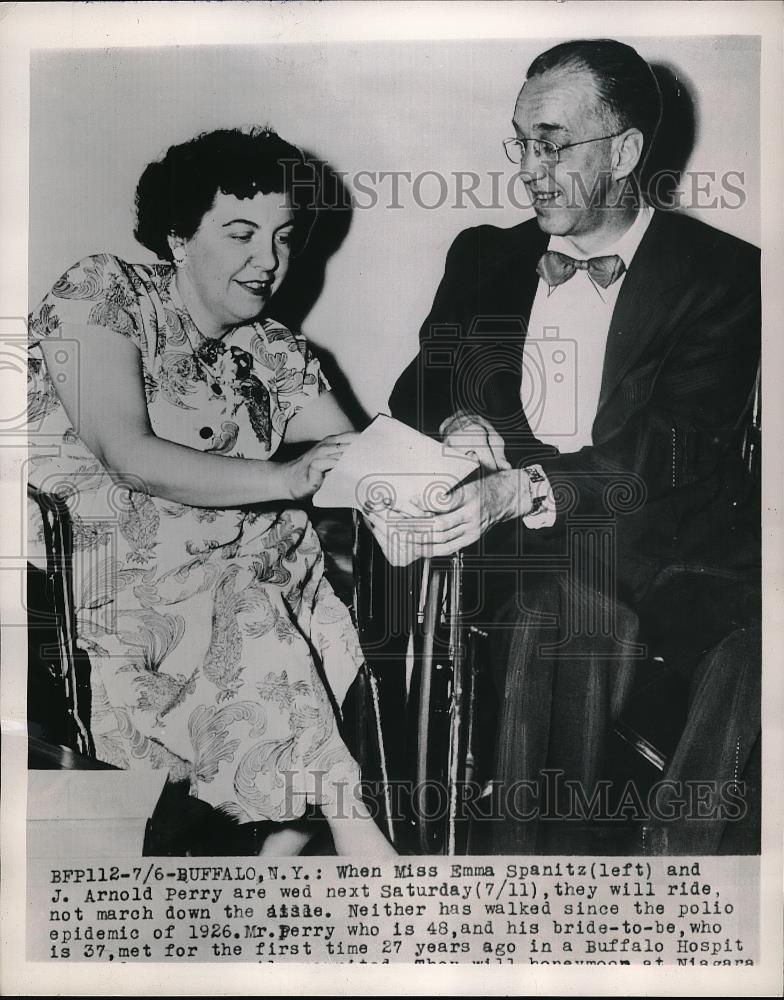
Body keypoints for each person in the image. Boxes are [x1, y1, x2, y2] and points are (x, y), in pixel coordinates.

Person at [381, 39, 760, 853]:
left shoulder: (726, 275)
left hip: (666, 551)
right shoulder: (487, 255)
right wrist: (454, 422)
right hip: (526, 559)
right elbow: (417, 386)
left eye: (553, 143)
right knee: (563, 617)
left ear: (625, 151)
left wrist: (522, 485)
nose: (529, 167)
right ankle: (529, 892)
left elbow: (678, 441)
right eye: (521, 142)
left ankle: (677, 888)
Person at [27, 127, 395, 857]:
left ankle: (284, 853)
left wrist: (452, 458)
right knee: (262, 564)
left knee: (287, 565)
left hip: (231, 597)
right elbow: (125, 455)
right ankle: (356, 853)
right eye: (241, 233)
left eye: (285, 236)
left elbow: (363, 462)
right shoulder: (103, 292)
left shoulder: (273, 352)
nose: (270, 259)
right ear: (177, 239)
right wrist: (287, 477)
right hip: (94, 593)